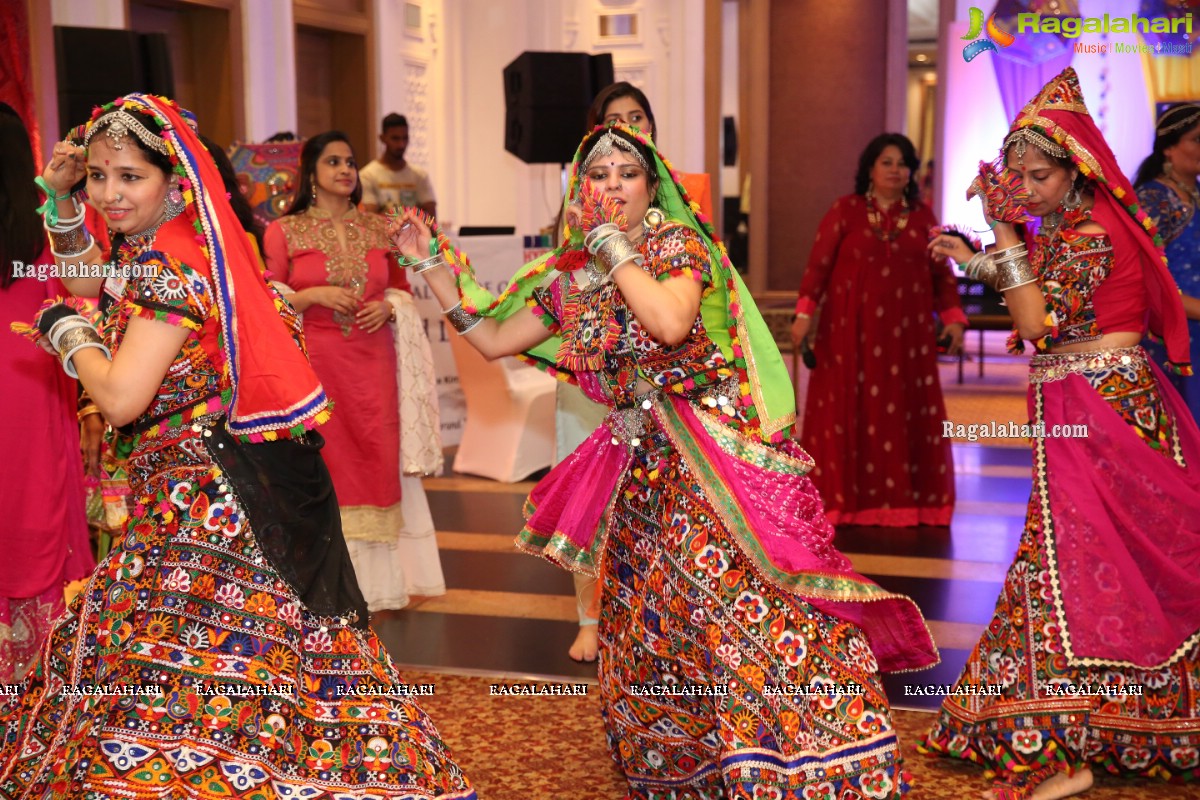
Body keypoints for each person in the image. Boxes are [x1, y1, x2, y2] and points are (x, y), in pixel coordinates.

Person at [390, 124, 939, 798]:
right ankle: (687, 762)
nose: (611, 185)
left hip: (707, 454)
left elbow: (671, 323)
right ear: (579, 188)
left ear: (652, 188)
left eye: (626, 173)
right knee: (658, 613)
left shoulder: (676, 246)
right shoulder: (568, 279)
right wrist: (429, 268)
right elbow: (496, 339)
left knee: (741, 604)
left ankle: (802, 754)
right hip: (634, 465)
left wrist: (615, 248)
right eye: (598, 174)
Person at [1, 94, 473, 798]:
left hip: (206, 506)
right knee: (238, 669)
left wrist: (70, 335)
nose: (109, 192)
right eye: (98, 176)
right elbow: (85, 277)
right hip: (199, 493)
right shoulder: (180, 249)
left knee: (194, 665)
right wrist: (62, 204)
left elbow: (123, 396)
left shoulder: (169, 263)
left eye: (128, 177)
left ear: (175, 180)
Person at [924, 68, 1200, 800]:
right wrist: (978, 253)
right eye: (1015, 175)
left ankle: (1069, 744)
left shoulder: (1091, 230)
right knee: (1075, 557)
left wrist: (1003, 229)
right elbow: (1042, 292)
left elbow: (1033, 322)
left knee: (1078, 558)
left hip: (1098, 410)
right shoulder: (1082, 227)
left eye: (1037, 176)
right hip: (1088, 401)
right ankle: (1078, 719)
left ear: (1075, 169)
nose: (1025, 187)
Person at [264, 130, 445, 614]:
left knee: (376, 456)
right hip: (316, 367)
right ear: (310, 173)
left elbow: (402, 289)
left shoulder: (381, 228)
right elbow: (269, 298)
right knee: (329, 463)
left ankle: (379, 589)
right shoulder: (284, 231)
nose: (346, 170)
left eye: (350, 161)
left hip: (374, 363)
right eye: (333, 162)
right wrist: (310, 297)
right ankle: (326, 588)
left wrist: (389, 308)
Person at [790, 133, 966, 527]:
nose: (895, 169)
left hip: (907, 342)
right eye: (886, 162)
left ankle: (911, 503)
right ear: (869, 169)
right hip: (848, 336)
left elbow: (942, 277)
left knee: (902, 414)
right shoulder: (845, 211)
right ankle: (841, 503)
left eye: (903, 163)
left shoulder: (923, 219)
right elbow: (817, 268)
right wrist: (804, 315)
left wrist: (954, 319)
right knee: (845, 412)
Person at [0, 102, 95, 683]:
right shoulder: (42, 237)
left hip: (31, 389)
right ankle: (34, 684)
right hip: (29, 392)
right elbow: (82, 291)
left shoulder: (41, 230)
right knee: (33, 503)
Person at [1134, 103, 1200, 423]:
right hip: (1174, 333)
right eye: (1198, 139)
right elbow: (1141, 277)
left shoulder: (1193, 194)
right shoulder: (1154, 200)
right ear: (1170, 148)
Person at [360, 113, 436, 217]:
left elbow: (431, 218)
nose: (401, 144)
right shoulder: (367, 175)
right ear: (382, 138)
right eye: (395, 139)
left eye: (405, 138)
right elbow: (370, 218)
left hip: (416, 233)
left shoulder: (419, 175)